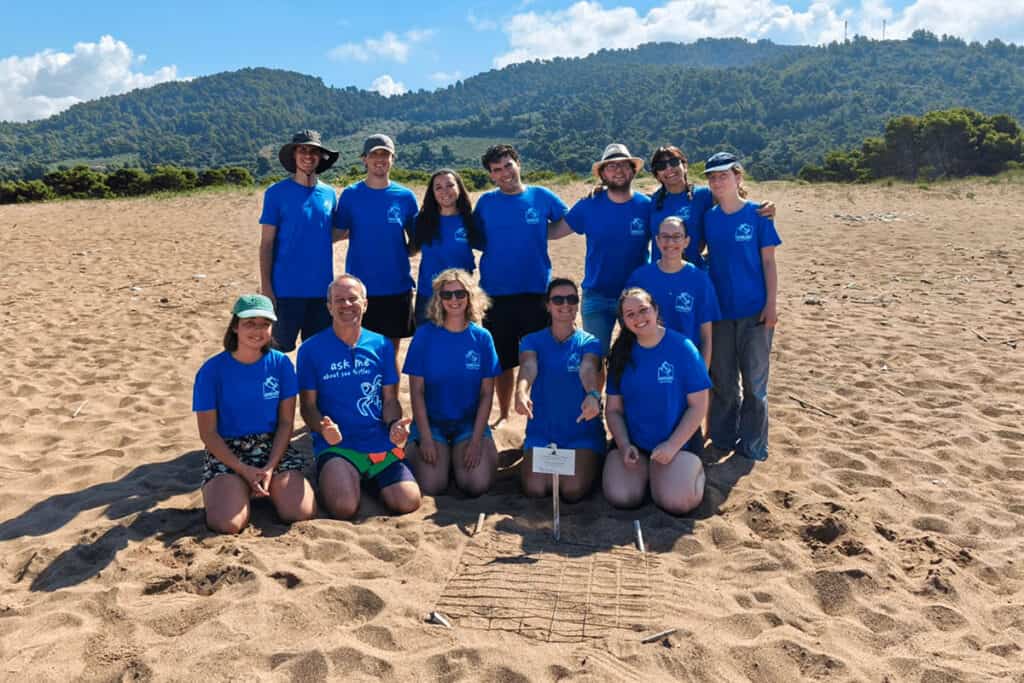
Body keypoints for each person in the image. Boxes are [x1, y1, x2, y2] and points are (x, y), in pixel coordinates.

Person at [297, 274, 421, 518]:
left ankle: (365, 480)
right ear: (329, 306)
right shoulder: (310, 350)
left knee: (408, 502)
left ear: (364, 304)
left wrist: (394, 424)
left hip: (377, 441)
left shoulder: (382, 345)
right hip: (337, 445)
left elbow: (390, 400)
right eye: (339, 300)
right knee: (344, 507)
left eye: (353, 299)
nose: (346, 305)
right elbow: (308, 407)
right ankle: (341, 479)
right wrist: (323, 429)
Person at [192, 294, 316, 533]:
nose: (257, 330)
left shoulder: (280, 364)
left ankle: (265, 488)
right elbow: (208, 433)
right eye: (250, 323)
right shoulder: (211, 371)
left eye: (265, 324)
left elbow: (286, 422)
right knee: (227, 524)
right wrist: (243, 470)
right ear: (236, 326)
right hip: (229, 450)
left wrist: (269, 466)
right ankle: (238, 488)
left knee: (300, 513)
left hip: (272, 447)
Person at [473, 144, 572, 423]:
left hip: (536, 292)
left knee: (538, 358)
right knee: (503, 363)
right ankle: (504, 415)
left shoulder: (541, 196)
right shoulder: (486, 202)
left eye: (508, 165)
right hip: (495, 294)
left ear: (518, 163)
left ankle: (538, 415)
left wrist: (544, 233)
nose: (504, 173)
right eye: (496, 170)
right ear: (491, 175)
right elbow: (475, 236)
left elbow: (567, 221)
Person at [702, 152, 781, 463]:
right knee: (723, 379)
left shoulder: (758, 214)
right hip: (720, 311)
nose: (717, 181)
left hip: (755, 311)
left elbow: (769, 262)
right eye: (712, 176)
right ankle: (721, 438)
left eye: (723, 174)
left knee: (755, 382)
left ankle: (753, 444)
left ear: (738, 177)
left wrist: (771, 304)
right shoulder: (709, 218)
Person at [603, 288, 708, 515]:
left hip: (677, 444)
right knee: (622, 497)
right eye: (630, 314)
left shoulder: (682, 348)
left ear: (656, 309)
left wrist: (672, 446)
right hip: (636, 444)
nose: (639, 318)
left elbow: (699, 405)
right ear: (624, 321)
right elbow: (613, 410)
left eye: (643, 310)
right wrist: (623, 445)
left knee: (678, 502)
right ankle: (648, 474)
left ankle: (683, 472)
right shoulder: (621, 354)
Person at [403, 269, 501, 496]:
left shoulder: (482, 338)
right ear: (439, 298)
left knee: (476, 484)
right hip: (432, 422)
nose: (454, 300)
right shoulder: (425, 335)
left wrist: (476, 441)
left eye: (460, 293)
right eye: (447, 295)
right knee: (431, 485)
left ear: (469, 296)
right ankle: (432, 452)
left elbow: (487, 394)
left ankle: (460, 454)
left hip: (468, 423)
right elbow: (416, 391)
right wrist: (426, 438)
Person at [553, 144, 652, 354]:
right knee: (593, 358)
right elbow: (555, 231)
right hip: (596, 295)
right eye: (611, 166)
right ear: (602, 174)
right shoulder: (589, 204)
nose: (618, 170)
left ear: (633, 170)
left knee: (637, 355)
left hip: (637, 296)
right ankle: (595, 390)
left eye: (624, 165)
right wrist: (518, 226)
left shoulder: (647, 206)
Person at [516, 278, 605, 501]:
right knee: (536, 489)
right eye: (558, 299)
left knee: (571, 490)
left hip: (580, 432)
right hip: (542, 431)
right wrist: (521, 392)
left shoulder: (589, 342)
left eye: (572, 299)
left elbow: (588, 369)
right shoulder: (531, 340)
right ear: (548, 305)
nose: (565, 304)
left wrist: (593, 395)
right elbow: (528, 367)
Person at [334, 134, 418, 364]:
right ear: (364, 159)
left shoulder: (405, 197)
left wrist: (400, 253)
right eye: (374, 155)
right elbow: (338, 233)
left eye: (385, 154)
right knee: (358, 352)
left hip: (396, 286)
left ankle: (390, 400)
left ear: (393, 159)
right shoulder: (351, 195)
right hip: (359, 290)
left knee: (390, 356)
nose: (380, 160)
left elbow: (416, 240)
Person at [259, 130, 340, 351]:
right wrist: (267, 287)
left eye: (313, 151)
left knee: (316, 352)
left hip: (321, 291)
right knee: (276, 351)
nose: (308, 155)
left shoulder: (329, 194)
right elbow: (266, 243)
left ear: (320, 157)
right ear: (294, 155)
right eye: (302, 150)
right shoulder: (276, 193)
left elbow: (330, 233)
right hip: (285, 290)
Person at [647, 145, 775, 267]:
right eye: (661, 166)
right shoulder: (651, 202)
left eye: (674, 162)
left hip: (695, 274)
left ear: (684, 165)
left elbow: (736, 209)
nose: (669, 168)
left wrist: (766, 208)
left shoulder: (704, 195)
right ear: (657, 174)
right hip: (659, 274)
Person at [626, 216, 720, 368]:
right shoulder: (640, 278)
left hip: (686, 363)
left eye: (677, 237)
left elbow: (706, 336)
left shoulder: (699, 280)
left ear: (686, 241)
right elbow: (628, 326)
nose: (670, 242)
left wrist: (702, 375)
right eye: (665, 236)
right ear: (657, 240)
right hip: (648, 361)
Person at [409, 169, 479, 325]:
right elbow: (411, 249)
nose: (444, 191)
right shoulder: (420, 221)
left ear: (459, 188)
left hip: (460, 297)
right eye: (438, 187)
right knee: (427, 345)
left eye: (450, 185)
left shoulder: (471, 220)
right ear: (432, 193)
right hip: (428, 296)